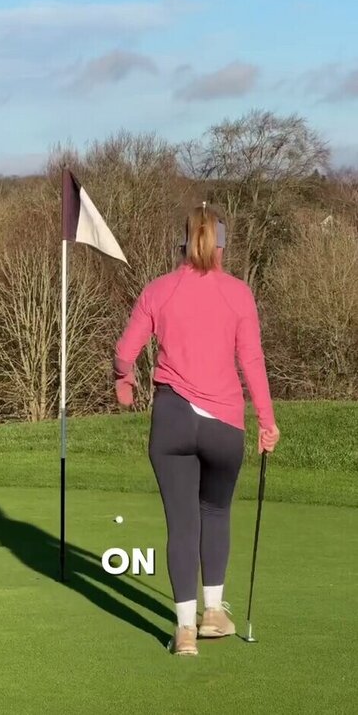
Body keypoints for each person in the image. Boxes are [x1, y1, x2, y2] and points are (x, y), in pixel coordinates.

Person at [114, 202, 280, 656]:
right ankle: (213, 613)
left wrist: (123, 381)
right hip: (223, 424)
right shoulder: (239, 294)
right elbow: (252, 361)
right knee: (215, 512)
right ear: (222, 247)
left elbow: (125, 352)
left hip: (171, 422)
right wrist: (267, 421)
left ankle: (185, 631)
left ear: (184, 243)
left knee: (182, 523)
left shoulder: (159, 290)